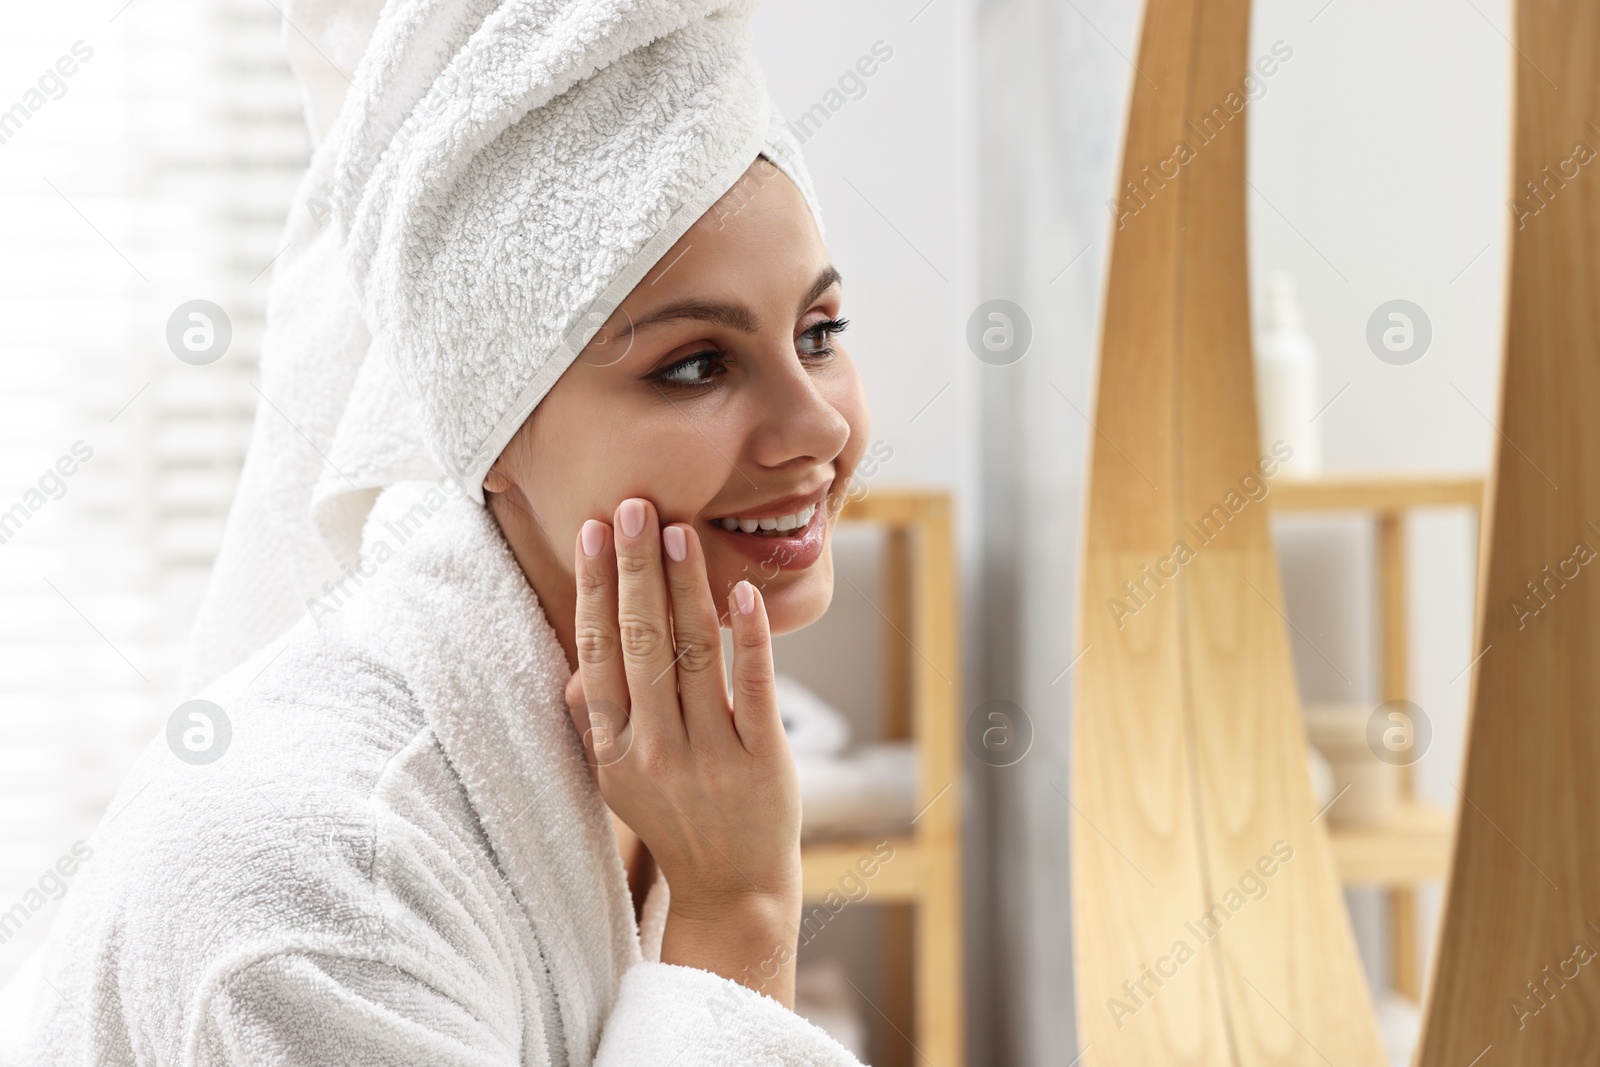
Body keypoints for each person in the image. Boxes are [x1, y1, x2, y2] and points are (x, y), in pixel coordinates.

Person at [0, 0, 872, 1062]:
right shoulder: (314, 883)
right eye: (696, 364)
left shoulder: (656, 775)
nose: (818, 425)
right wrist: (738, 916)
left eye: (818, 333)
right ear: (484, 426)